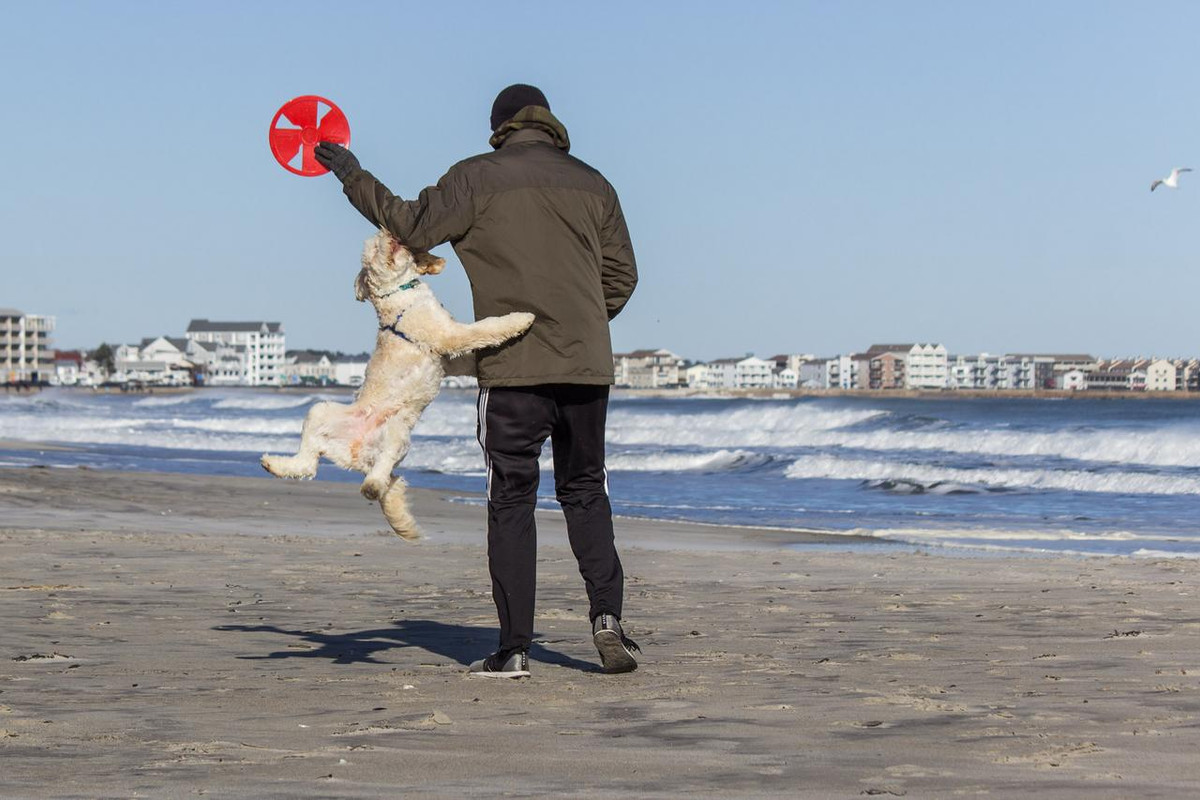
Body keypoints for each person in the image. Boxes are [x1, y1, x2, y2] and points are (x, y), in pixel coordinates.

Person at [314, 84, 640, 678]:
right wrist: (583, 327)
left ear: (499, 127)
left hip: (513, 367)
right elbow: (622, 275)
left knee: (512, 498)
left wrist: (349, 171)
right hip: (586, 366)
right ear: (549, 123)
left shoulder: (475, 178)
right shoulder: (595, 183)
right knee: (585, 489)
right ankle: (607, 618)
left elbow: (408, 225)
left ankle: (514, 648)